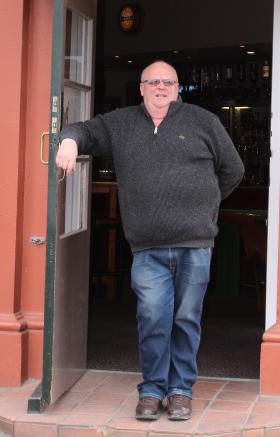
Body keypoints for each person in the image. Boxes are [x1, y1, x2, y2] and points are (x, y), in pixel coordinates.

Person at [56, 60, 244, 421]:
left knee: (187, 319)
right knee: (153, 318)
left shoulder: (204, 122)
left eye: (168, 83)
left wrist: (203, 205)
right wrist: (67, 140)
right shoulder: (121, 123)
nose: (161, 87)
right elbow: (83, 130)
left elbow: (233, 170)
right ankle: (153, 389)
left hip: (195, 244)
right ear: (141, 88)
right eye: (153, 82)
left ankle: (180, 391)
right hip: (148, 248)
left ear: (177, 88)